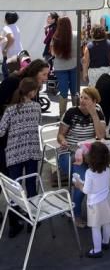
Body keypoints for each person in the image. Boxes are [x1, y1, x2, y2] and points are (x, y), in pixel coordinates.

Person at [57, 86, 106, 227]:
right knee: (83, 179)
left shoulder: (98, 112)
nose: (82, 101)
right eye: (82, 97)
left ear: (95, 101)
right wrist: (63, 141)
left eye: (86, 98)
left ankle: (100, 208)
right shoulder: (71, 112)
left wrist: (94, 115)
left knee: (102, 173)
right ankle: (76, 214)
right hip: (69, 153)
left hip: (88, 155)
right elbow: (60, 135)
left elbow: (101, 136)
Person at [0, 78, 42, 237]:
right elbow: (38, 122)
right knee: (31, 185)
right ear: (32, 92)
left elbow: (1, 131)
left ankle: (14, 223)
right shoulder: (36, 107)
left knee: (15, 189)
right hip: (31, 151)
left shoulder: (10, 110)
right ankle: (33, 219)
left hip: (14, 153)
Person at [74, 141, 110, 258]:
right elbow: (102, 184)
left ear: (90, 158)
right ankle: (106, 243)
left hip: (95, 204)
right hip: (106, 200)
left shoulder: (89, 173)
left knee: (95, 227)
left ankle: (97, 250)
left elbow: (87, 190)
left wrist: (79, 185)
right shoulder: (108, 169)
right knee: (107, 223)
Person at [51, 16, 78, 117]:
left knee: (63, 91)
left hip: (60, 67)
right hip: (73, 65)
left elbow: (53, 54)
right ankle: (77, 112)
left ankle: (62, 115)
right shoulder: (76, 35)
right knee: (74, 90)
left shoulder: (56, 37)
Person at [1, 12, 23, 80]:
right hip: (18, 54)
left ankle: (7, 89)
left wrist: (5, 49)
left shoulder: (6, 27)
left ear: (6, 19)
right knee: (16, 75)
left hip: (10, 55)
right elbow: (8, 38)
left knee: (7, 74)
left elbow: (12, 38)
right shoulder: (15, 27)